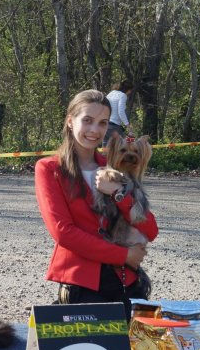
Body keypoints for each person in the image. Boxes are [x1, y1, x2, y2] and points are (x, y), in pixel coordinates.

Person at [35, 89, 159, 319]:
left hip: (125, 279)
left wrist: (118, 194)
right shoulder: (49, 169)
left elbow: (150, 230)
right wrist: (123, 256)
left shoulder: (115, 166)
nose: (95, 130)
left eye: (102, 123)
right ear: (70, 121)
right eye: (87, 121)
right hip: (84, 281)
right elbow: (64, 233)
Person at [103, 80, 133, 146]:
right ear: (128, 90)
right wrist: (128, 126)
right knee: (127, 145)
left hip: (105, 125)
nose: (130, 93)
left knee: (105, 150)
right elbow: (121, 112)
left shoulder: (111, 93)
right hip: (114, 126)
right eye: (130, 91)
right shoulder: (123, 95)